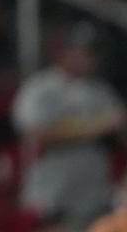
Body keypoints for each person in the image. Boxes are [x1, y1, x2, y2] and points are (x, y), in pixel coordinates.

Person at [13, 22, 126, 231]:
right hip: (51, 203)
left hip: (94, 204)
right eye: (84, 51)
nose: (91, 58)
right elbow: (38, 134)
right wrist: (97, 127)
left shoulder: (102, 92)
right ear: (65, 51)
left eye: (94, 52)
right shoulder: (40, 88)